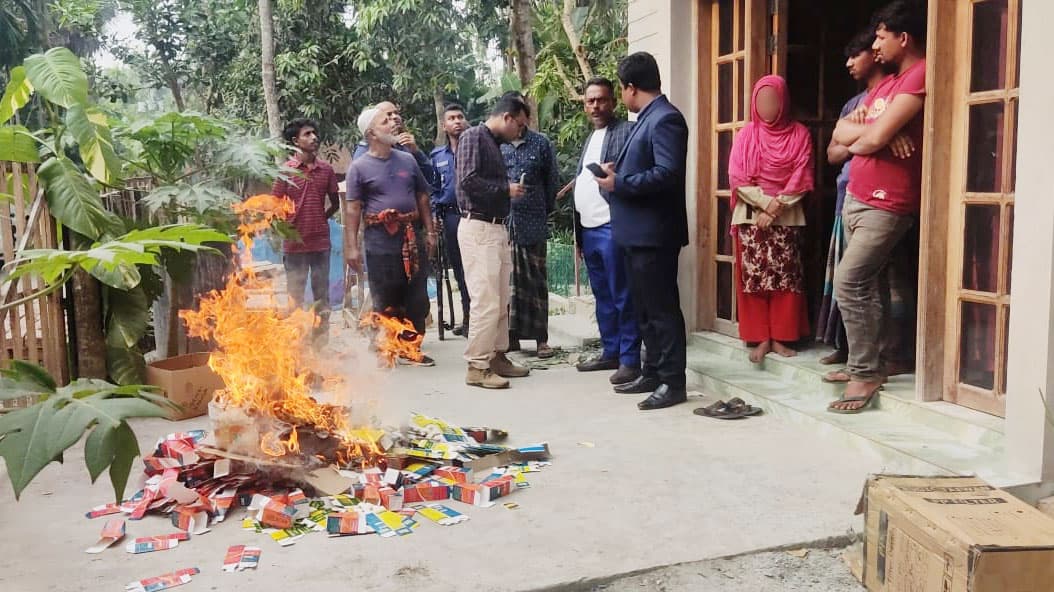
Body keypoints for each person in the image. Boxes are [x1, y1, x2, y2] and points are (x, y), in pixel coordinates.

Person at [828, 0, 927, 413]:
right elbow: (840, 130)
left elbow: (863, 141)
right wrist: (884, 133)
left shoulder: (919, 76)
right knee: (873, 287)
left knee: (850, 282)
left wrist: (872, 136)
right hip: (857, 199)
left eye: (881, 37)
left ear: (903, 38)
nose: (876, 44)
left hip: (889, 203)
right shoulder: (888, 85)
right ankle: (877, 361)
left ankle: (864, 371)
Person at [595, 52, 690, 411]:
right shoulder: (647, 119)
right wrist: (618, 171)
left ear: (632, 88)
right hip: (636, 234)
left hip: (655, 233)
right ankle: (652, 371)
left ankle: (673, 380)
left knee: (662, 310)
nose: (622, 96)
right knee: (645, 310)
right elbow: (647, 166)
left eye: (621, 89)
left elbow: (667, 173)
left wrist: (621, 183)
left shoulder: (666, 119)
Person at [728, 75, 814, 363]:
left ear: (783, 101)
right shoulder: (746, 135)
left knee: (786, 277)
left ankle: (781, 337)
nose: (767, 106)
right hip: (751, 214)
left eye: (772, 100)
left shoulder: (799, 134)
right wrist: (764, 204)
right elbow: (737, 177)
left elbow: (802, 173)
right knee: (754, 277)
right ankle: (760, 337)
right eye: (761, 101)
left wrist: (777, 207)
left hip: (787, 214)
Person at [561, 77, 641, 385]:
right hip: (589, 228)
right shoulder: (590, 137)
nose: (596, 105)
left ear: (614, 101)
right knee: (603, 296)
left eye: (602, 99)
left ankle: (631, 360)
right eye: (590, 101)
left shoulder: (627, 132)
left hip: (613, 225)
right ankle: (611, 351)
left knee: (623, 295)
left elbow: (631, 174)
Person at [817, 30, 889, 366]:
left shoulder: (892, 96)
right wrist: (863, 140)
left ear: (873, 55)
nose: (848, 63)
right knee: (844, 278)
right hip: (847, 197)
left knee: (870, 281)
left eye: (854, 55)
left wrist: (855, 138)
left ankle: (885, 355)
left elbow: (882, 139)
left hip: (881, 200)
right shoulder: (852, 104)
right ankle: (845, 347)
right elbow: (832, 153)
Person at [344, 106, 437, 366]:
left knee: (416, 296)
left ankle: (411, 347)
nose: (394, 123)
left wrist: (430, 232)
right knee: (385, 296)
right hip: (378, 240)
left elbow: (422, 196)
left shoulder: (407, 160)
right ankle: (385, 348)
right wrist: (351, 247)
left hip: (411, 237)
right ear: (371, 133)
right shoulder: (359, 167)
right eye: (386, 121)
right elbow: (352, 210)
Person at [456, 96, 533, 389]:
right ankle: (477, 366)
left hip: (496, 228)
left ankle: (497, 356)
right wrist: (506, 189)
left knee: (501, 300)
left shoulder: (492, 142)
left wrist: (505, 191)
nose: (520, 133)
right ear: (508, 118)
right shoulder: (473, 136)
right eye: (520, 126)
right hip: (479, 227)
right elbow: (467, 180)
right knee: (486, 301)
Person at [500, 91, 560, 359]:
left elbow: (552, 182)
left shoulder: (541, 143)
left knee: (535, 283)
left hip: (533, 222)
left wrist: (543, 210)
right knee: (507, 284)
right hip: (503, 225)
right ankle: (510, 339)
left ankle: (541, 341)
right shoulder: (496, 144)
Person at [271, 118, 341, 346]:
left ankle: (320, 345)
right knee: (295, 298)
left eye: (314, 133)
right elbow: (274, 205)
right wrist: (287, 228)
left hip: (320, 244)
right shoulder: (285, 172)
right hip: (294, 246)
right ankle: (297, 345)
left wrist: (322, 218)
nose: (314, 138)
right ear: (295, 141)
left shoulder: (326, 170)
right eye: (307, 134)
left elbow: (335, 202)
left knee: (322, 297)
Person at [430, 103, 471, 337]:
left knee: (476, 269)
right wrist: (435, 216)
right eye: (452, 118)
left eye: (460, 117)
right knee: (459, 269)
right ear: (443, 125)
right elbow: (434, 189)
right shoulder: (437, 156)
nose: (457, 121)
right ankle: (467, 317)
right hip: (452, 216)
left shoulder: (477, 148)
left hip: (474, 214)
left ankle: (477, 319)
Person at [352, 101, 438, 188]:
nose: (395, 117)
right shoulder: (364, 153)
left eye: (396, 113)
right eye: (388, 115)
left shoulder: (403, 144)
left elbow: (430, 178)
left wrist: (416, 151)